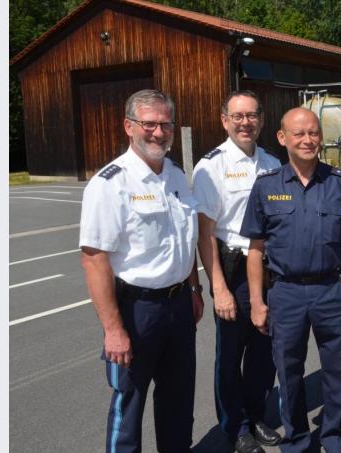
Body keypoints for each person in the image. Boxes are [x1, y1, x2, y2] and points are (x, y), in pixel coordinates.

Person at [79, 89, 205, 452]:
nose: (158, 132)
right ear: (129, 126)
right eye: (149, 124)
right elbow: (94, 258)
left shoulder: (176, 175)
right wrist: (113, 329)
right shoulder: (110, 183)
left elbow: (184, 240)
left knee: (178, 397)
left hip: (179, 305)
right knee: (129, 401)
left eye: (166, 124)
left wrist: (194, 289)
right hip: (137, 310)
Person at [240, 107, 341, 453]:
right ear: (282, 138)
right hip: (286, 293)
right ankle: (297, 441)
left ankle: (337, 439)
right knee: (289, 373)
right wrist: (256, 302)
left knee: (338, 371)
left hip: (331, 290)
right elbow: (255, 250)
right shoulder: (266, 186)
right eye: (299, 134)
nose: (308, 140)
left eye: (313, 133)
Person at [192, 91, 282, 453]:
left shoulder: (272, 162)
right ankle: (236, 426)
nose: (246, 123)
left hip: (270, 270)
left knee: (265, 350)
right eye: (238, 116)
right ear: (225, 120)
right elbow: (205, 233)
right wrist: (219, 288)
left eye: (252, 115)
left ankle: (257, 414)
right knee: (230, 356)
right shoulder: (210, 167)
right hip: (234, 272)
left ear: (262, 119)